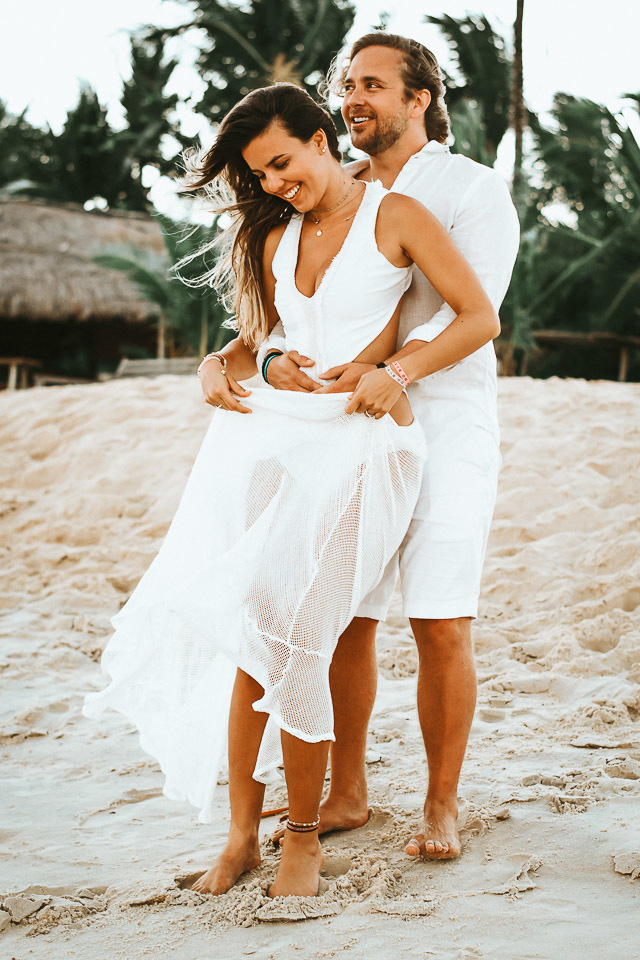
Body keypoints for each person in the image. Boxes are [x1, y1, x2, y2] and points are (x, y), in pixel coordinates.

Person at [84, 82, 497, 899]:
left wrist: (397, 370)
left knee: (303, 626)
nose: (274, 183)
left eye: (281, 162)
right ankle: (241, 837)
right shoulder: (274, 235)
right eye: (260, 174)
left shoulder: (397, 216)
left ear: (320, 137)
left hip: (365, 444)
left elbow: (478, 316)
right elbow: (256, 342)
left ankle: (302, 840)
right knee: (256, 626)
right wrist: (219, 365)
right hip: (270, 441)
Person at [219, 34, 521, 862]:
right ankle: (345, 792)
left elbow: (476, 306)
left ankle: (441, 804)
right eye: (346, 85)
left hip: (447, 420)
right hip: (346, 430)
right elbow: (288, 319)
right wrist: (252, 357)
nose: (353, 98)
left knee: (439, 618)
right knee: (343, 617)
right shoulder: (327, 193)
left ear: (420, 97)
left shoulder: (470, 189)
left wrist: (395, 366)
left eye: (373, 85)